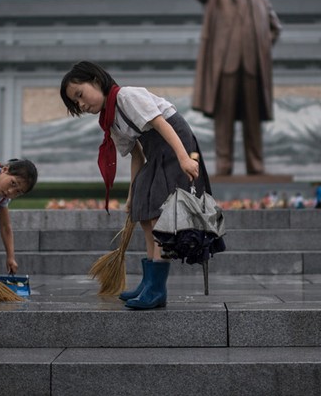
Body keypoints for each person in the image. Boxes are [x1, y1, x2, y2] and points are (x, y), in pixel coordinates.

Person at [60, 61, 213, 309]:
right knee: (144, 215)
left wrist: (184, 157)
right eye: (76, 103)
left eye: (80, 94)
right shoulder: (110, 120)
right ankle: (149, 282)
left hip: (174, 144)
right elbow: (137, 156)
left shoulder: (127, 96)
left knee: (159, 219)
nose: (82, 104)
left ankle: (156, 289)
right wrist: (133, 195)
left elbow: (163, 124)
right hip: (155, 154)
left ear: (96, 81)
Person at [179, 0, 282, 176]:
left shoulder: (259, 1)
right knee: (223, 123)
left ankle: (256, 166)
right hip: (224, 68)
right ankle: (224, 167)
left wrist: (262, 47)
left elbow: (275, 28)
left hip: (252, 69)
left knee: (253, 122)